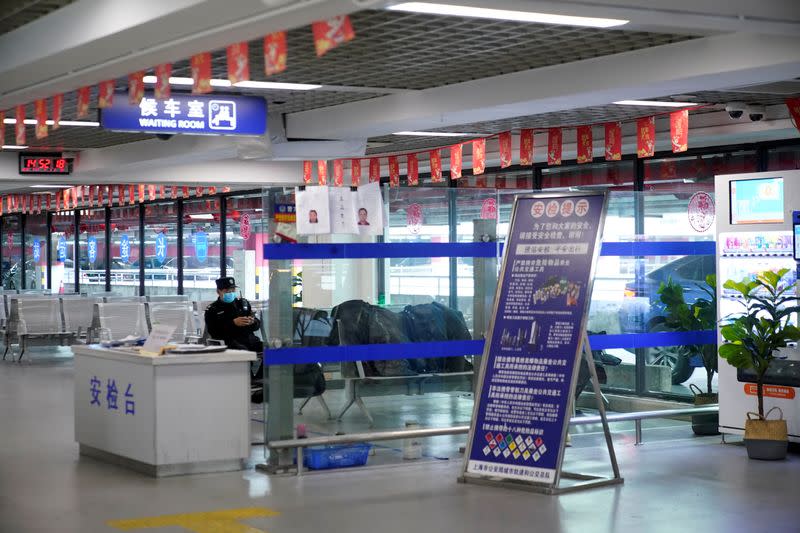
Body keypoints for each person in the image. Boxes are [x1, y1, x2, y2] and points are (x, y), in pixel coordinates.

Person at [204, 276, 262, 353]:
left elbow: (257, 324)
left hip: (250, 341)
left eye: (233, 290)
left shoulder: (243, 304)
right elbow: (214, 332)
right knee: (243, 352)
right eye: (227, 291)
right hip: (229, 343)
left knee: (274, 350)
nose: (231, 292)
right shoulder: (213, 309)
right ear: (218, 291)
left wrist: (252, 322)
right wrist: (233, 323)